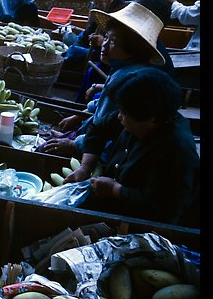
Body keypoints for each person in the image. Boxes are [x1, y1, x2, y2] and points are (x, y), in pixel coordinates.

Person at [63, 67, 199, 225]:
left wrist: (115, 190)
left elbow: (161, 209)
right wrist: (85, 167)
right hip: (110, 202)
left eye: (123, 113)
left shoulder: (176, 151)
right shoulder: (132, 115)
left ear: (152, 118)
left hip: (138, 224)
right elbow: (98, 129)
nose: (119, 116)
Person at [42, 2, 167, 159]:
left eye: (113, 41)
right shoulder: (120, 69)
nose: (104, 44)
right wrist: (78, 116)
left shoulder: (127, 80)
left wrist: (74, 144)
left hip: (107, 149)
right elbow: (100, 104)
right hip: (95, 135)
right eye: (106, 37)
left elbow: (105, 127)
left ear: (132, 50)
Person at [62, 0, 136, 103]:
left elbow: (125, 46)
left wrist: (103, 42)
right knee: (71, 47)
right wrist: (82, 41)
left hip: (115, 58)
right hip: (98, 53)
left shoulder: (122, 12)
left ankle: (80, 104)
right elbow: (86, 35)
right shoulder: (96, 12)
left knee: (78, 56)